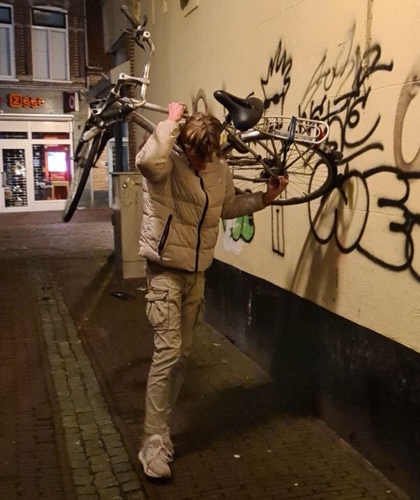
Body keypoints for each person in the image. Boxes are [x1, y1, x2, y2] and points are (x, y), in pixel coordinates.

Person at [136, 102, 288, 479]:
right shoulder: (167, 160)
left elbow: (228, 206)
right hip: (165, 270)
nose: (204, 164)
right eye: (198, 157)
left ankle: (161, 431)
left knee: (182, 355)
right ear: (185, 146)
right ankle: (152, 442)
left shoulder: (218, 165)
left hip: (197, 272)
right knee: (168, 352)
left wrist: (265, 198)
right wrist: (171, 122)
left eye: (209, 156)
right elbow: (147, 163)